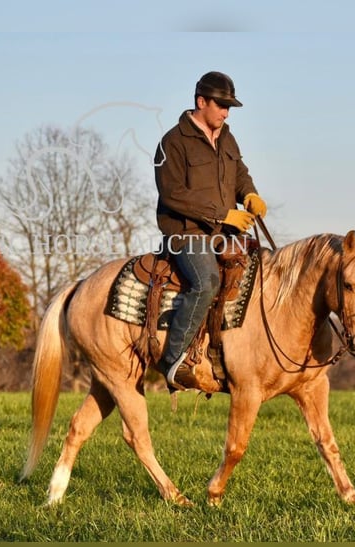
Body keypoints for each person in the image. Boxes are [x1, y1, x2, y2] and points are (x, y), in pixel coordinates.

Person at [153, 71, 267, 389]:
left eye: (229, 107)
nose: (226, 112)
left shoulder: (227, 137)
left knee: (266, 272)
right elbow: (172, 194)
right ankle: (173, 361)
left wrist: (249, 195)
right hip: (186, 234)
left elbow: (239, 172)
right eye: (221, 105)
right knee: (206, 282)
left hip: (224, 233)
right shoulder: (172, 143)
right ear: (201, 102)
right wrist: (223, 215)